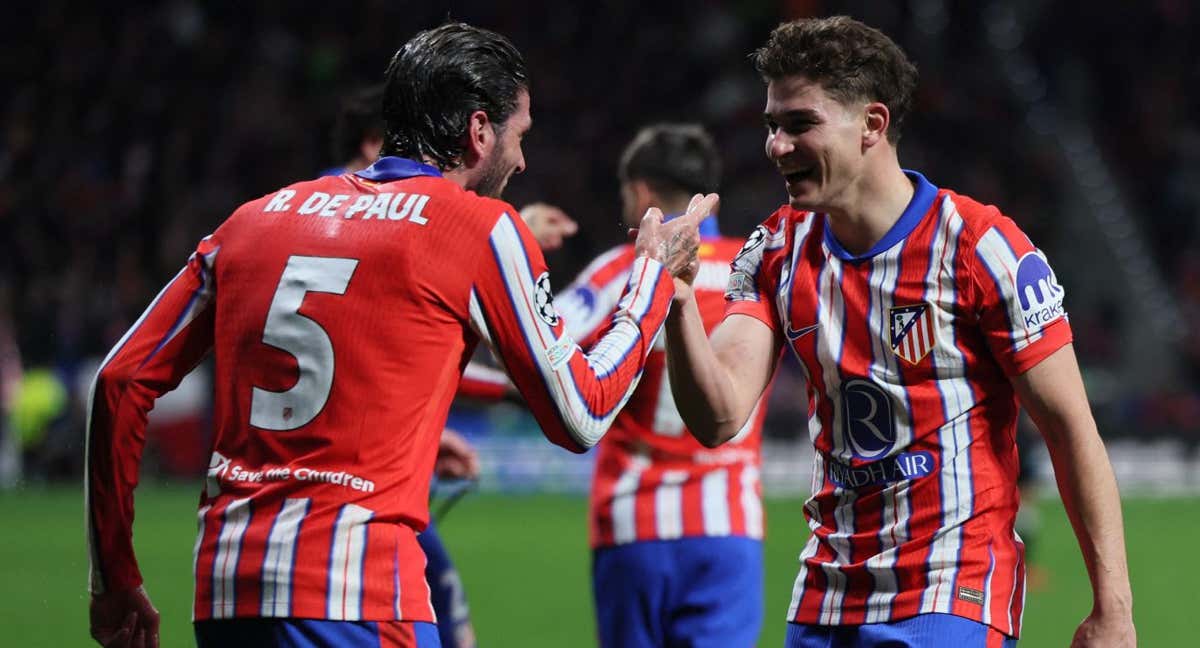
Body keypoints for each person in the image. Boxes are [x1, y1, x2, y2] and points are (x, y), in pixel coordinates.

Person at [85, 22, 713, 648]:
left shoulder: (253, 220)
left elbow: (120, 379)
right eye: (520, 136)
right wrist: (650, 280)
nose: (522, 160)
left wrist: (114, 578)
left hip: (227, 594)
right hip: (356, 593)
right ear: (478, 130)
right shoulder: (480, 228)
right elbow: (581, 413)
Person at [662, 16, 1135, 648]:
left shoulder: (978, 248)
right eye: (772, 125)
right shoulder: (775, 249)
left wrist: (1114, 609)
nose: (776, 145)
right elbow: (718, 414)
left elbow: (1072, 430)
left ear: (872, 125)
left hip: (951, 590)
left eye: (800, 124)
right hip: (826, 595)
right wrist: (679, 298)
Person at [552, 124, 768, 648]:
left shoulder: (623, 270)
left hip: (634, 521)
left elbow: (539, 345)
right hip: (729, 523)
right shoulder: (756, 267)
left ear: (642, 192)